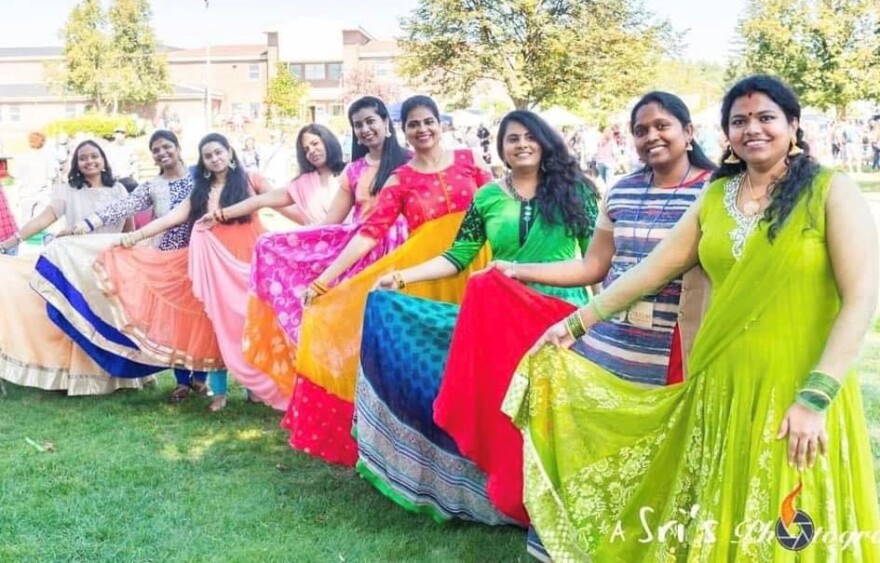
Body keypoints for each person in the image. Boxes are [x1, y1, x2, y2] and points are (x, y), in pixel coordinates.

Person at [504, 75, 880, 560]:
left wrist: (816, 396)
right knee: (727, 502)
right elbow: (650, 271)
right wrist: (575, 323)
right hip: (721, 378)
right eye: (739, 121)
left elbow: (862, 298)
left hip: (799, 381)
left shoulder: (831, 191)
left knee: (791, 510)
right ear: (726, 133)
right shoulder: (716, 197)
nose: (753, 129)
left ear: (793, 124)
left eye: (766, 117)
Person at [441, 91, 716, 557]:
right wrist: (516, 270)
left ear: (689, 132)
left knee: (667, 451)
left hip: (677, 344)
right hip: (612, 341)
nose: (652, 136)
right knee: (598, 447)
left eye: (662, 126)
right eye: (641, 130)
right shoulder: (624, 191)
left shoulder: (716, 191)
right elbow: (593, 267)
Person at [354, 110, 599, 526]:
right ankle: (511, 501)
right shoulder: (487, 198)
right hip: (503, 320)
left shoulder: (577, 191)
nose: (521, 144)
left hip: (559, 317)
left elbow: (596, 262)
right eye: (512, 138)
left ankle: (560, 499)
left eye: (529, 137)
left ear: (544, 142)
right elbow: (457, 257)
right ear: (500, 148)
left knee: (555, 410)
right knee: (510, 411)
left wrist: (599, 317)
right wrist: (400, 276)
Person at [287, 95, 493, 466]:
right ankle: (438, 454)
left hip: (481, 268)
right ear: (405, 130)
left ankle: (486, 449)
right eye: (414, 124)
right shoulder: (401, 179)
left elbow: (499, 208)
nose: (423, 129)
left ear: (440, 124)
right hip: (427, 276)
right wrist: (324, 280)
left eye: (428, 121)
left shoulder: (469, 160)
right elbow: (370, 233)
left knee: (484, 358)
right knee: (440, 363)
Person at [240, 97, 410, 399]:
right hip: (361, 256)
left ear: (386, 122)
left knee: (401, 333)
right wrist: (287, 244)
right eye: (358, 125)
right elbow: (331, 225)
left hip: (407, 254)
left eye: (371, 121)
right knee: (358, 332)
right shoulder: (355, 171)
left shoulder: (410, 162)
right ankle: (360, 406)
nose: (365, 129)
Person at [45, 130, 225, 405]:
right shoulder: (152, 186)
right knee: (175, 318)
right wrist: (80, 227)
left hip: (200, 257)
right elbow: (121, 208)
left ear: (177, 147)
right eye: (155, 149)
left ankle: (200, 377)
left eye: (166, 146)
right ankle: (181, 382)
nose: (162, 152)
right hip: (164, 260)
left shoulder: (199, 178)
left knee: (201, 315)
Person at [112, 133, 282, 411]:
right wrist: (136, 236)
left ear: (229, 151)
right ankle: (219, 392)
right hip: (217, 269)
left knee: (253, 323)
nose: (215, 159)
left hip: (251, 264)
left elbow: (283, 199)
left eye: (219, 152)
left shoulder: (252, 179)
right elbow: (172, 218)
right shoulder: (202, 191)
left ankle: (255, 388)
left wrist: (320, 224)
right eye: (208, 155)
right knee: (216, 326)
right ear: (202, 161)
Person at [0, 140, 152, 395]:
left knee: (112, 319)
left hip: (109, 264)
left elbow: (129, 229)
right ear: (76, 164)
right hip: (76, 265)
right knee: (80, 316)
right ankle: (81, 378)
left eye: (95, 156)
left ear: (103, 159)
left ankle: (121, 376)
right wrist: (11, 242)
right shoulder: (68, 190)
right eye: (83, 158)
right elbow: (44, 218)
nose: (89, 161)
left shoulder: (119, 190)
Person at [16, 131, 58, 221]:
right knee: (40, 222)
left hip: (26, 192)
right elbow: (51, 177)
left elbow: (18, 177)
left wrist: (17, 196)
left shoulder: (21, 157)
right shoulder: (47, 157)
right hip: (43, 192)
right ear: (43, 142)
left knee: (25, 221)